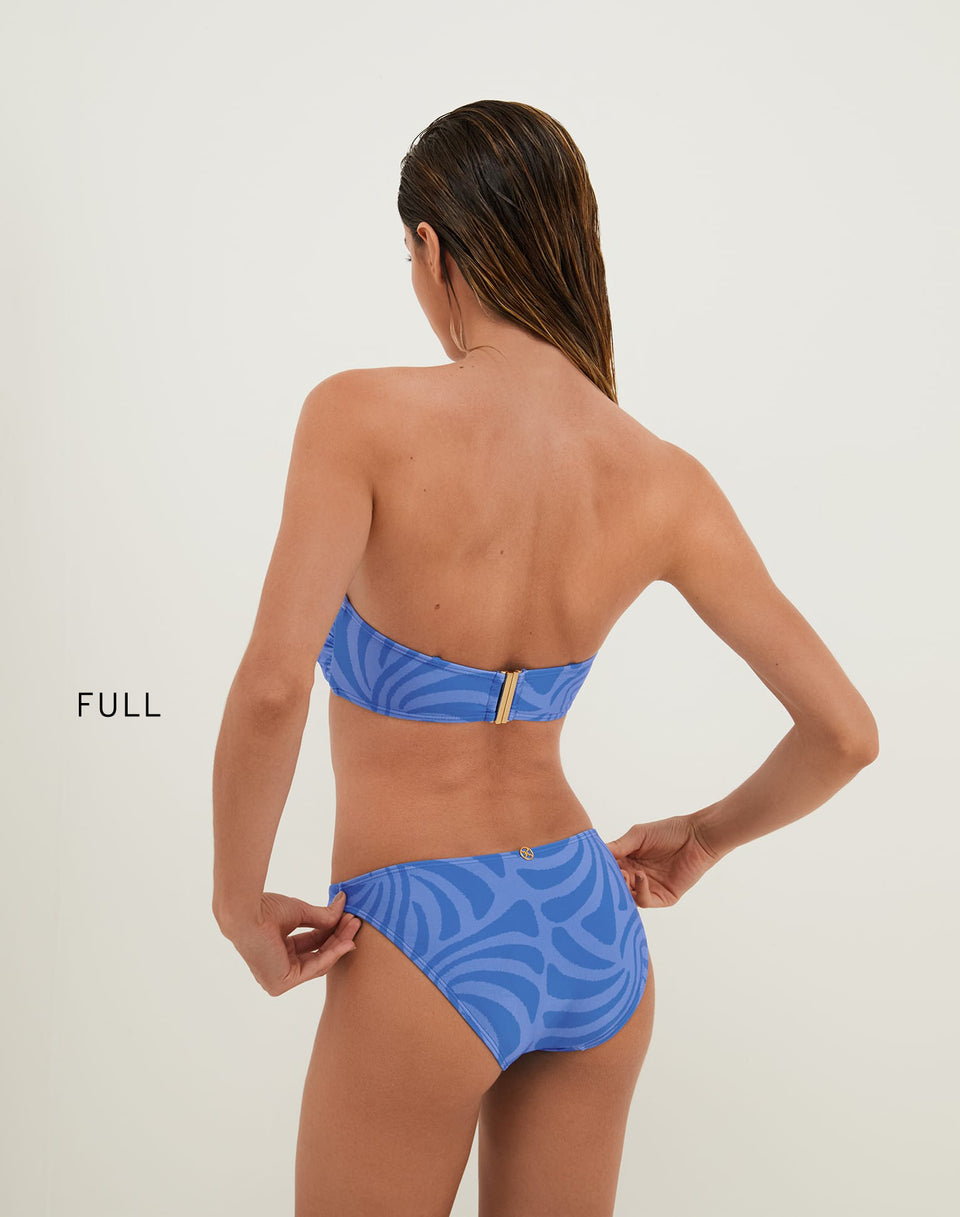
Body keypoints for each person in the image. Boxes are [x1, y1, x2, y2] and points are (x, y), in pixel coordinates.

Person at [211, 99, 879, 1217]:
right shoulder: (662, 476)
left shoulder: (359, 416)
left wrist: (238, 904)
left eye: (409, 257)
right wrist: (705, 837)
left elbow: (276, 686)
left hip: (421, 929)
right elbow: (846, 733)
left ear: (434, 249)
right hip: (587, 921)